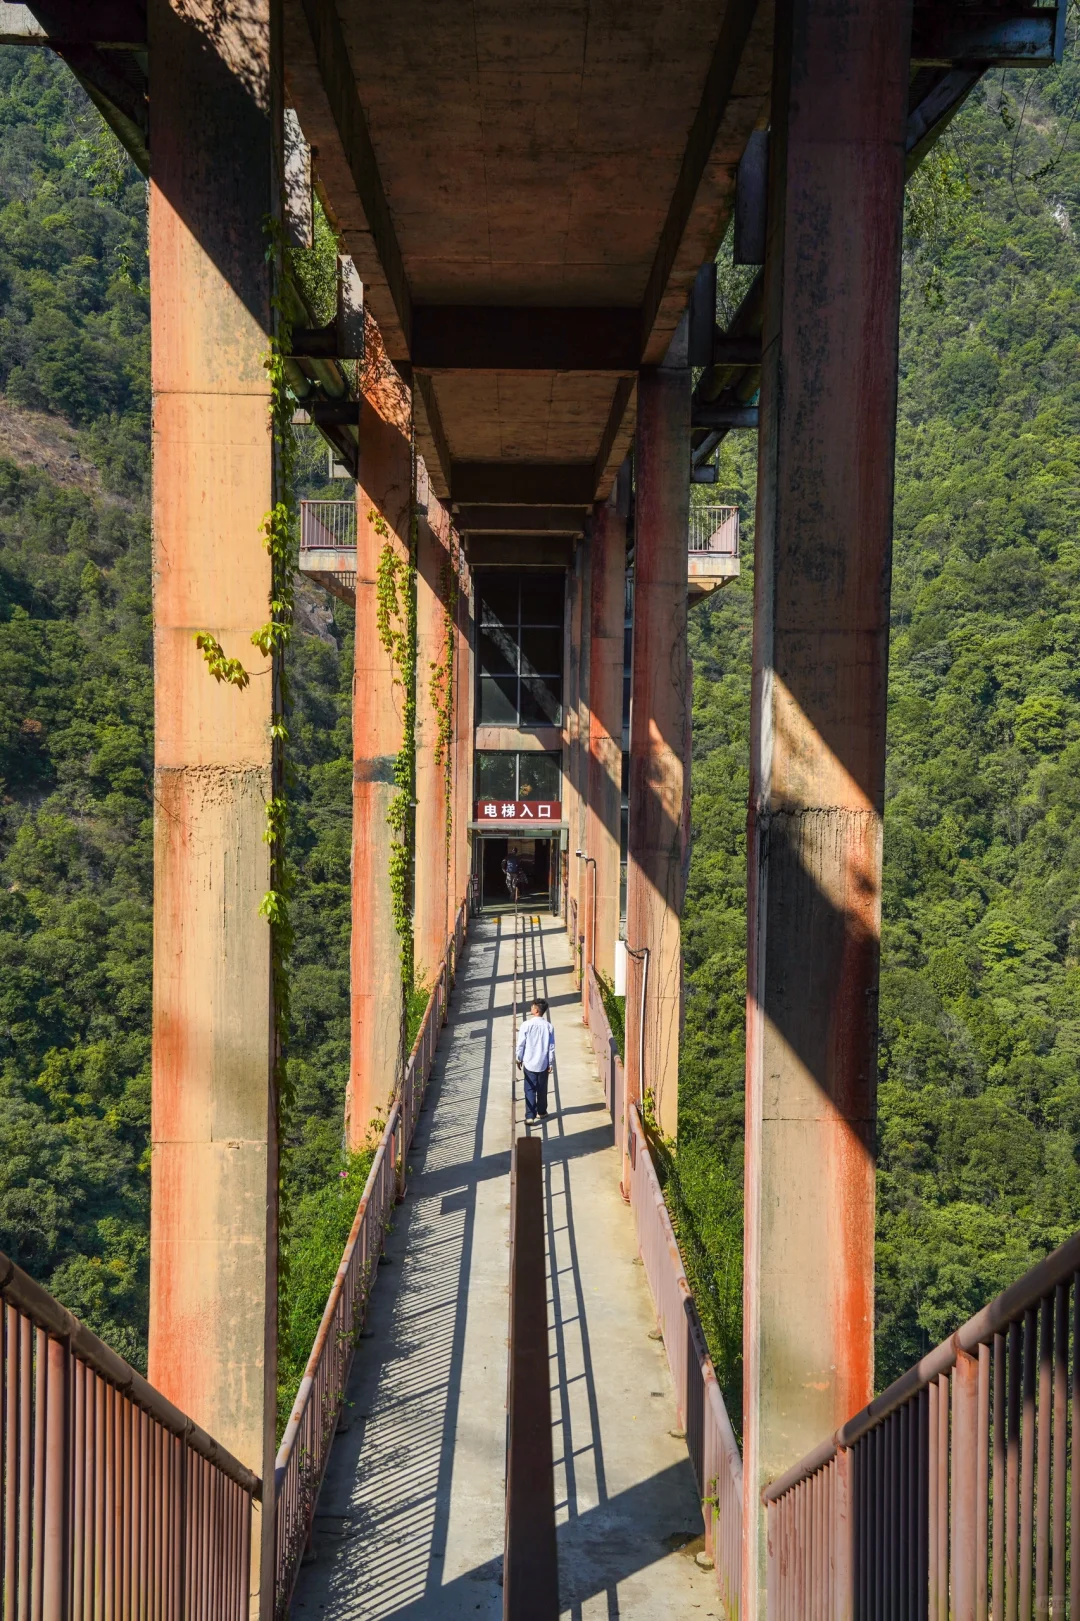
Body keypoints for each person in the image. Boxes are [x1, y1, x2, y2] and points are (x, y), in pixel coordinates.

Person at [516, 997, 555, 1122]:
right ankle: (542, 1111)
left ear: (536, 1010)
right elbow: (551, 1047)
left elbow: (521, 1044)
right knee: (542, 1088)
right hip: (543, 1062)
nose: (531, 1007)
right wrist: (550, 1062)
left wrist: (519, 1058)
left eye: (532, 1006)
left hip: (529, 1062)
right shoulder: (549, 1027)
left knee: (529, 1088)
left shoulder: (526, 1025)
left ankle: (530, 1116)